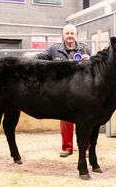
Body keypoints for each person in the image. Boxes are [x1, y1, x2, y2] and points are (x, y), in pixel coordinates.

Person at [34, 24, 90, 157]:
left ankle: (86, 148)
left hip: (83, 90)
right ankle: (67, 148)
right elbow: (37, 59)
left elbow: (95, 66)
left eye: (72, 33)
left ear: (76, 35)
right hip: (63, 91)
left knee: (87, 119)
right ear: (63, 35)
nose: (70, 36)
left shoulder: (84, 48)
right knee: (66, 119)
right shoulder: (54, 49)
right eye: (67, 33)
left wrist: (90, 60)